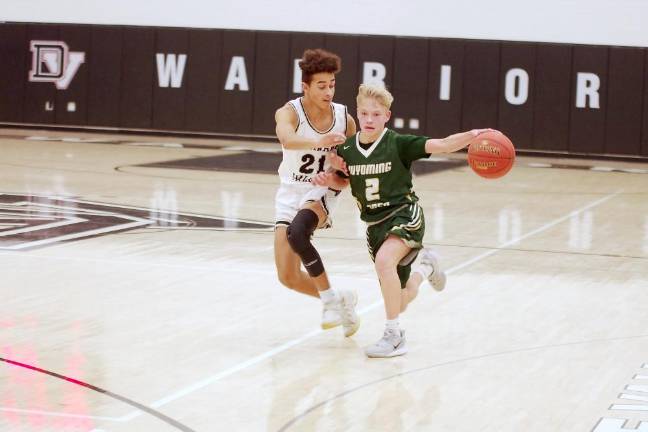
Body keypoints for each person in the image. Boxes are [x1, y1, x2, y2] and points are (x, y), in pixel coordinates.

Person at [314, 83, 493, 356]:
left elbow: (443, 145)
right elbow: (346, 181)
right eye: (364, 113)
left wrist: (474, 135)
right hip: (374, 227)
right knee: (400, 298)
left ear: (387, 116)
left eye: (376, 114)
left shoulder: (399, 143)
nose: (369, 119)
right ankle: (426, 269)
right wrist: (330, 178)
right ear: (358, 116)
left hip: (404, 215)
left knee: (386, 262)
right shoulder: (348, 149)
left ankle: (394, 336)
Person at [273, 48, 359, 337]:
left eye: (332, 84)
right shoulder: (289, 112)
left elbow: (351, 172)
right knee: (288, 277)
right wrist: (318, 140)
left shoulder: (344, 119)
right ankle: (338, 299)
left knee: (298, 234)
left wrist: (337, 175)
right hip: (289, 189)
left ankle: (330, 304)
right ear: (305, 86)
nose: (328, 91)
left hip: (323, 190)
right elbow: (286, 137)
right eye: (321, 86)